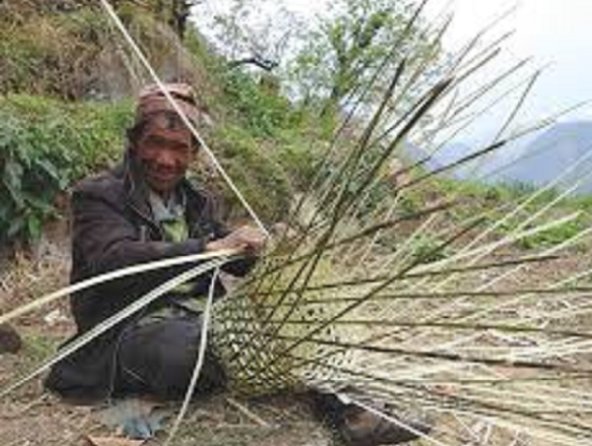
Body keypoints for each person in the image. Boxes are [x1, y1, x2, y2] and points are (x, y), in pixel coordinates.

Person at [45, 83, 424, 445]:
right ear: (133, 143)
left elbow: (235, 258)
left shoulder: (196, 201)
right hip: (128, 333)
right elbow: (114, 260)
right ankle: (305, 387)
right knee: (191, 349)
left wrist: (275, 251)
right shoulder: (99, 195)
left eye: (179, 148)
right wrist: (207, 249)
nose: (165, 159)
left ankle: (352, 410)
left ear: (194, 153)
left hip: (204, 322)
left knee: (291, 326)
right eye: (154, 143)